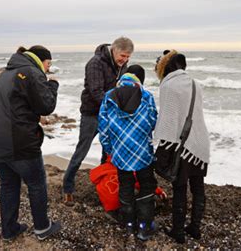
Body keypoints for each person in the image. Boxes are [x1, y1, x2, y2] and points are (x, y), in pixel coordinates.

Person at [0, 45, 61, 241]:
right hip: (16, 140)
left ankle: (9, 229)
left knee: (9, 183)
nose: (48, 69)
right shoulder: (32, 72)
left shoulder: (8, 73)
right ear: (41, 60)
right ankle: (42, 228)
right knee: (36, 183)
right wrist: (53, 85)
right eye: (48, 64)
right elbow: (46, 106)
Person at [62, 37, 134, 205]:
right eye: (122, 56)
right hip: (92, 114)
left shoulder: (123, 66)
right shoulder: (95, 63)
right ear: (114, 49)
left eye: (128, 57)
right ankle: (67, 188)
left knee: (107, 152)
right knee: (81, 151)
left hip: (110, 115)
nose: (124, 60)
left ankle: (102, 186)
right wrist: (116, 107)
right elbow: (96, 92)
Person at [154, 50, 210, 244]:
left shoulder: (168, 85)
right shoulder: (196, 84)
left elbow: (168, 120)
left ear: (167, 66)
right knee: (198, 187)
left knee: (179, 187)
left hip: (181, 144)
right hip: (200, 142)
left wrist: (162, 146)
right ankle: (195, 228)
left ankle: (178, 231)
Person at [97, 65, 158, 241]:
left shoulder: (109, 97)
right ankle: (144, 227)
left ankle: (129, 224)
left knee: (125, 186)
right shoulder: (146, 96)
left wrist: (111, 150)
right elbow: (153, 121)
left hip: (121, 153)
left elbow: (103, 128)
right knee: (147, 185)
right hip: (143, 152)